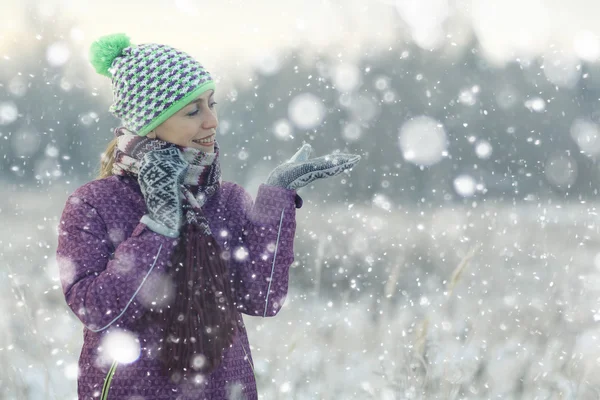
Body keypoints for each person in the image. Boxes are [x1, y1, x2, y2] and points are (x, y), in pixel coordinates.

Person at [56, 33, 361, 400]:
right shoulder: (94, 203)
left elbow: (262, 298)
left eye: (211, 104)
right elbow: (97, 310)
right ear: (150, 123)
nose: (212, 121)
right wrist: (160, 223)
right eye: (193, 111)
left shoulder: (226, 198)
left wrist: (276, 201)